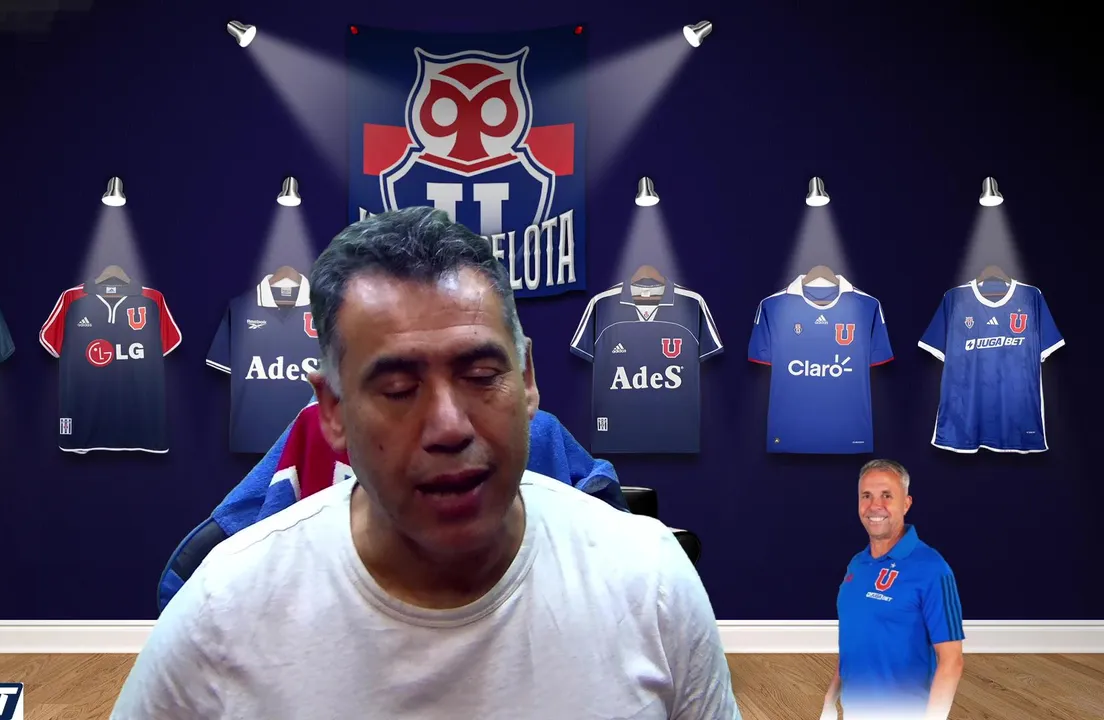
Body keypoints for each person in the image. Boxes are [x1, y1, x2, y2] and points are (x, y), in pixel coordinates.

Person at [110, 206, 741, 719]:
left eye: (481, 375)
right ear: (332, 411)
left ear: (527, 379)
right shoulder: (221, 611)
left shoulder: (652, 583)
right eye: (398, 389)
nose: (449, 426)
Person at [821, 459, 965, 720]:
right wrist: (830, 700)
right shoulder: (857, 564)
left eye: (887, 495)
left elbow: (952, 661)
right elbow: (855, 641)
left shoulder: (933, 569)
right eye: (866, 496)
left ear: (906, 504)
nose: (875, 505)